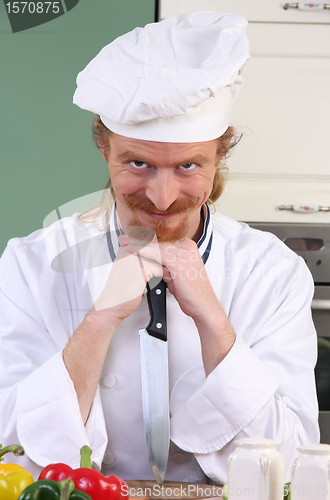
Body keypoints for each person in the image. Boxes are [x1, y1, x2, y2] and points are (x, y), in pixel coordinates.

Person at [0, 11, 319, 485]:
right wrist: (100, 320)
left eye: (189, 166)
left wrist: (213, 321)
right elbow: (12, 451)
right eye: (138, 163)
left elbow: (295, 467)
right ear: (103, 148)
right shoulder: (30, 265)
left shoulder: (273, 272)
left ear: (220, 154)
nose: (163, 197)